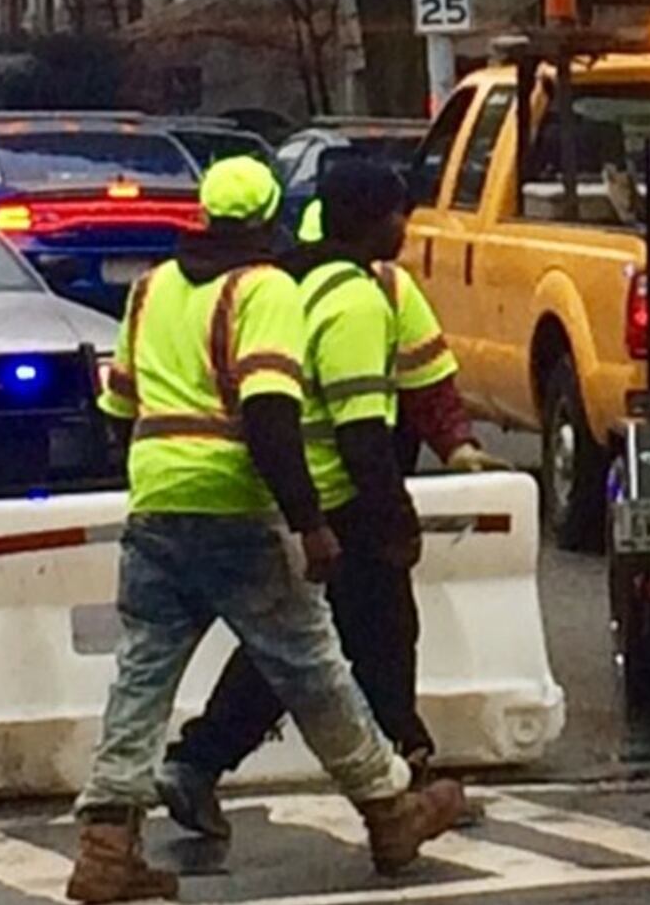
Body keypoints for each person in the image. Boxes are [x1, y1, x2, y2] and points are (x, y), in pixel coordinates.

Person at [63, 154, 467, 904]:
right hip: (235, 507)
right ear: (270, 215)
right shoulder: (264, 287)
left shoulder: (151, 288)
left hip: (156, 505)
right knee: (314, 666)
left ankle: (106, 844)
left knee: (142, 678)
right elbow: (270, 412)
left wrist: (153, 482)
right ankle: (390, 808)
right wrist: (310, 521)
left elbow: (117, 409)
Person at [158, 159, 473, 841]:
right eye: (400, 215)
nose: (405, 227)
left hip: (287, 493)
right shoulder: (356, 298)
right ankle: (400, 778)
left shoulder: (286, 281)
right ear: (376, 219)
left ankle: (206, 761)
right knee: (366, 639)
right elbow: (362, 429)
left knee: (309, 645)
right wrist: (394, 517)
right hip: (340, 501)